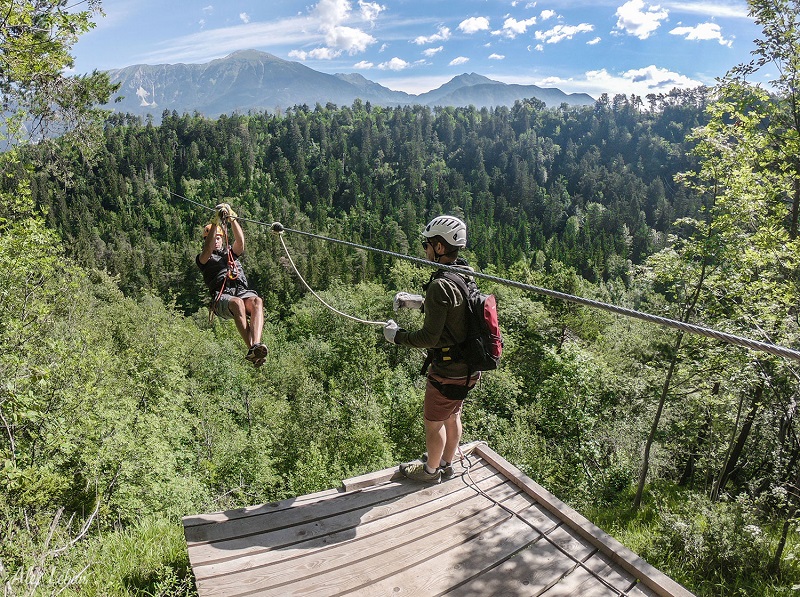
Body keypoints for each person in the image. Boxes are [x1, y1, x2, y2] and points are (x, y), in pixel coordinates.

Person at [384, 215, 479, 483]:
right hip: (469, 367)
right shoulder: (464, 272)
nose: (424, 249)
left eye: (427, 244)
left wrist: (397, 336)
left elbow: (429, 337)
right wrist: (415, 302)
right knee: (453, 415)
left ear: (439, 247)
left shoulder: (439, 284)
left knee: (433, 423)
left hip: (447, 370)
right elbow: (454, 311)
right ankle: (447, 464)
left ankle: (430, 471)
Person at [197, 203, 268, 367]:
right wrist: (215, 223)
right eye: (213, 238)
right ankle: (251, 348)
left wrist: (232, 219)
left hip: (240, 291)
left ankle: (256, 345)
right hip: (222, 298)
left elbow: (240, 243)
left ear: (222, 238)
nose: (216, 241)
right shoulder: (203, 259)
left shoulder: (231, 252)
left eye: (218, 238)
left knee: (257, 301)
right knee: (236, 303)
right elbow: (207, 250)